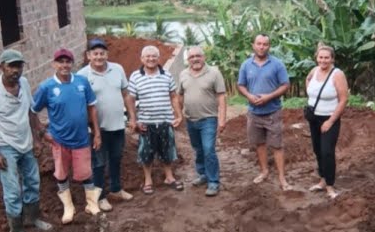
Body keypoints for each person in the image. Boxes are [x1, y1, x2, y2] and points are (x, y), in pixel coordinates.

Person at [0, 49, 52, 232]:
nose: (15, 70)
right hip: (5, 147)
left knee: (33, 182)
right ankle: (16, 230)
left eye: (19, 66)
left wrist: (37, 139)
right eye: (11, 66)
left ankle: (32, 218)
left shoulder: (25, 83)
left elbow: (31, 111)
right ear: (1, 67)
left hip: (26, 143)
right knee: (12, 190)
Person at [31, 47, 101, 224]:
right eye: (61, 62)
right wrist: (42, 132)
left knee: (86, 172)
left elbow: (92, 107)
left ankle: (92, 203)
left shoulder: (82, 82)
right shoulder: (47, 87)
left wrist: (97, 133)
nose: (64, 65)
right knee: (61, 173)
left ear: (72, 63)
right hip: (59, 140)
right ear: (54, 64)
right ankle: (68, 207)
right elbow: (32, 111)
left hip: (82, 138)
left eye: (68, 61)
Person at [77, 37, 131, 209]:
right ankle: (99, 197)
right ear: (89, 55)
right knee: (99, 164)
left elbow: (126, 94)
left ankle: (116, 189)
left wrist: (133, 117)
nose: (99, 57)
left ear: (106, 54)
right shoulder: (82, 75)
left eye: (102, 53)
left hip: (118, 124)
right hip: (97, 129)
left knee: (116, 158)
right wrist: (89, 127)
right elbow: (81, 104)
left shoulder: (118, 69)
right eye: (95, 54)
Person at [125, 45, 183, 193]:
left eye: (154, 56)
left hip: (165, 120)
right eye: (147, 56)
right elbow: (130, 99)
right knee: (146, 152)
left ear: (158, 58)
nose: (151, 59)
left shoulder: (166, 75)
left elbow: (173, 96)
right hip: (146, 122)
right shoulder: (135, 76)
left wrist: (178, 115)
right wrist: (134, 119)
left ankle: (169, 177)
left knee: (167, 150)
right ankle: (148, 180)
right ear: (142, 59)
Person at [236, 34, 291, 190]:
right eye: (259, 44)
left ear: (269, 46)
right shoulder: (246, 65)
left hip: (273, 111)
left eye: (265, 44)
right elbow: (240, 85)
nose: (261, 47)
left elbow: (285, 85)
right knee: (259, 143)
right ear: (253, 45)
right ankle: (264, 171)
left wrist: (269, 97)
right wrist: (248, 96)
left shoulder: (277, 64)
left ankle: (282, 178)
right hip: (253, 112)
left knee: (277, 145)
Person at [176, 45, 227, 197]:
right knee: (198, 149)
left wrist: (222, 120)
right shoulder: (183, 74)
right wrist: (179, 114)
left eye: (198, 56)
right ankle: (203, 174)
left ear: (204, 57)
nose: (195, 59)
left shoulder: (214, 73)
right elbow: (180, 96)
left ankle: (213, 181)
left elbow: (221, 97)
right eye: (191, 57)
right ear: (188, 60)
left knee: (208, 149)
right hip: (191, 120)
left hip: (209, 119)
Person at [304, 43, 350, 200]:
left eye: (326, 58)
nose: (323, 60)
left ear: (332, 59)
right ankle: (322, 180)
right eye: (320, 57)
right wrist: (311, 95)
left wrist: (330, 121)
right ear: (317, 58)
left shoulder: (337, 74)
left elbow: (343, 100)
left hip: (329, 117)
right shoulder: (314, 71)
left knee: (327, 152)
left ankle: (330, 185)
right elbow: (308, 79)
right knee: (317, 150)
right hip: (314, 118)